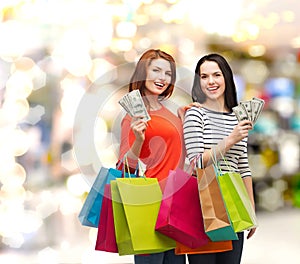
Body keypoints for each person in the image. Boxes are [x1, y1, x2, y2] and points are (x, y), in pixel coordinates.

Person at [183, 53, 256, 264]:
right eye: (204, 76)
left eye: (216, 74)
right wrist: (231, 138)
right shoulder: (196, 115)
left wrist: (250, 209)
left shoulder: (238, 116)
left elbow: (243, 166)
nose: (211, 81)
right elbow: (196, 162)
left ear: (226, 77)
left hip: (233, 205)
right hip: (203, 207)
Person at [118, 49, 186, 264]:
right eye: (156, 70)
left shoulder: (171, 113)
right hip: (150, 202)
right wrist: (138, 139)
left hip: (177, 203)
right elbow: (124, 166)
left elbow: (182, 158)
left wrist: (185, 124)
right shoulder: (132, 116)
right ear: (142, 72)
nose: (162, 78)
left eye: (167, 73)